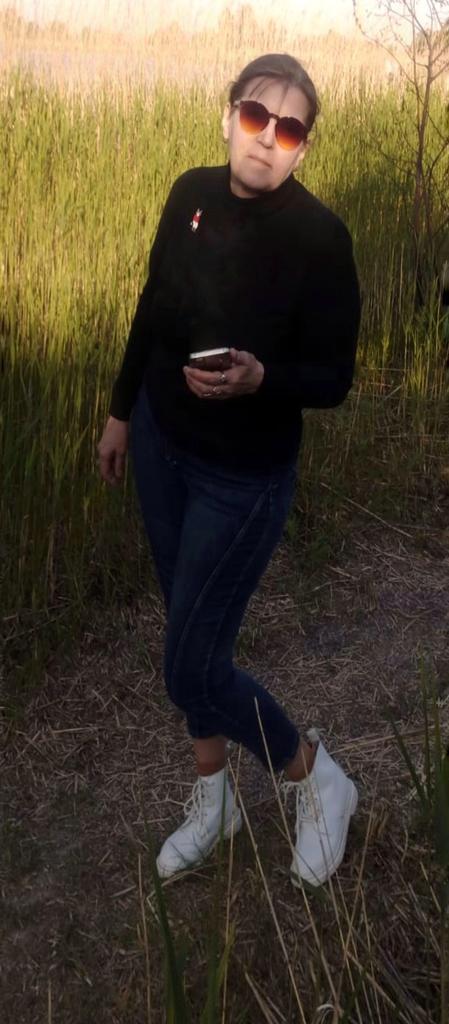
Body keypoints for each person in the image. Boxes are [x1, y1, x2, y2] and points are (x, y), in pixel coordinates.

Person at [97, 53, 362, 888]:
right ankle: (214, 798)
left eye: (288, 128)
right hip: (159, 444)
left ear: (302, 147)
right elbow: (152, 305)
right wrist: (120, 412)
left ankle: (313, 776)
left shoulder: (320, 238)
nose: (266, 138)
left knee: (190, 664)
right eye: (254, 115)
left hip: (240, 482)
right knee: (191, 632)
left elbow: (334, 378)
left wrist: (261, 379)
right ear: (227, 116)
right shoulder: (190, 193)